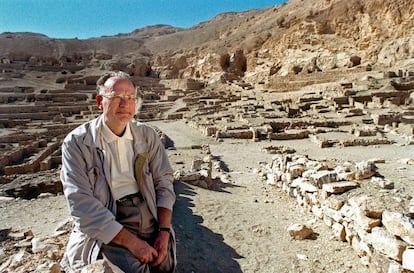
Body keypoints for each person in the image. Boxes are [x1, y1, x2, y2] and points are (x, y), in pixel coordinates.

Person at [60, 71, 176, 273]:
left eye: (130, 98)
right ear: (99, 101)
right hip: (109, 220)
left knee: (164, 266)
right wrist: (133, 243)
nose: (125, 104)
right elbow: (80, 203)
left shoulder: (147, 136)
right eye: (117, 98)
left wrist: (164, 232)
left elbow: (164, 182)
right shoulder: (77, 143)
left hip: (147, 213)